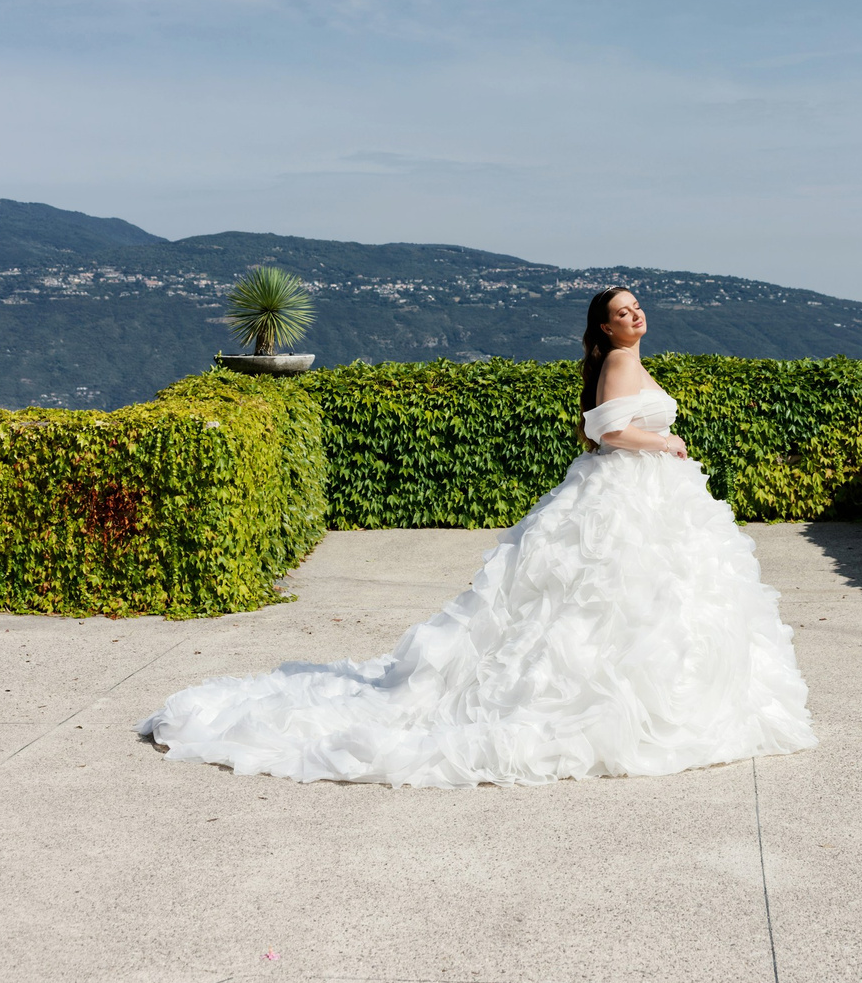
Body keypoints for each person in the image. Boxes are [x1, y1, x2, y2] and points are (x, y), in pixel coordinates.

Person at [138, 286, 817, 787]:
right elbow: (605, 431)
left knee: (650, 600)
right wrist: (663, 439)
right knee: (609, 601)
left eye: (636, 308)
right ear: (604, 328)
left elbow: (602, 427)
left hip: (649, 493)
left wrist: (658, 445)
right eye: (621, 313)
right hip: (627, 491)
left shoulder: (632, 359)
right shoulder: (617, 364)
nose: (633, 317)